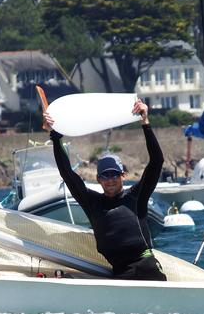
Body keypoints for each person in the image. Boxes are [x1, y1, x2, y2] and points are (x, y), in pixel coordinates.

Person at [43, 99, 167, 281]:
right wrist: (55, 135)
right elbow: (68, 174)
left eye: (114, 175)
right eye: (105, 176)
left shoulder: (136, 196)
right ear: (98, 179)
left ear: (123, 175)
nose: (110, 180)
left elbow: (157, 162)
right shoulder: (92, 203)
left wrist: (145, 123)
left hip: (146, 267)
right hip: (119, 273)